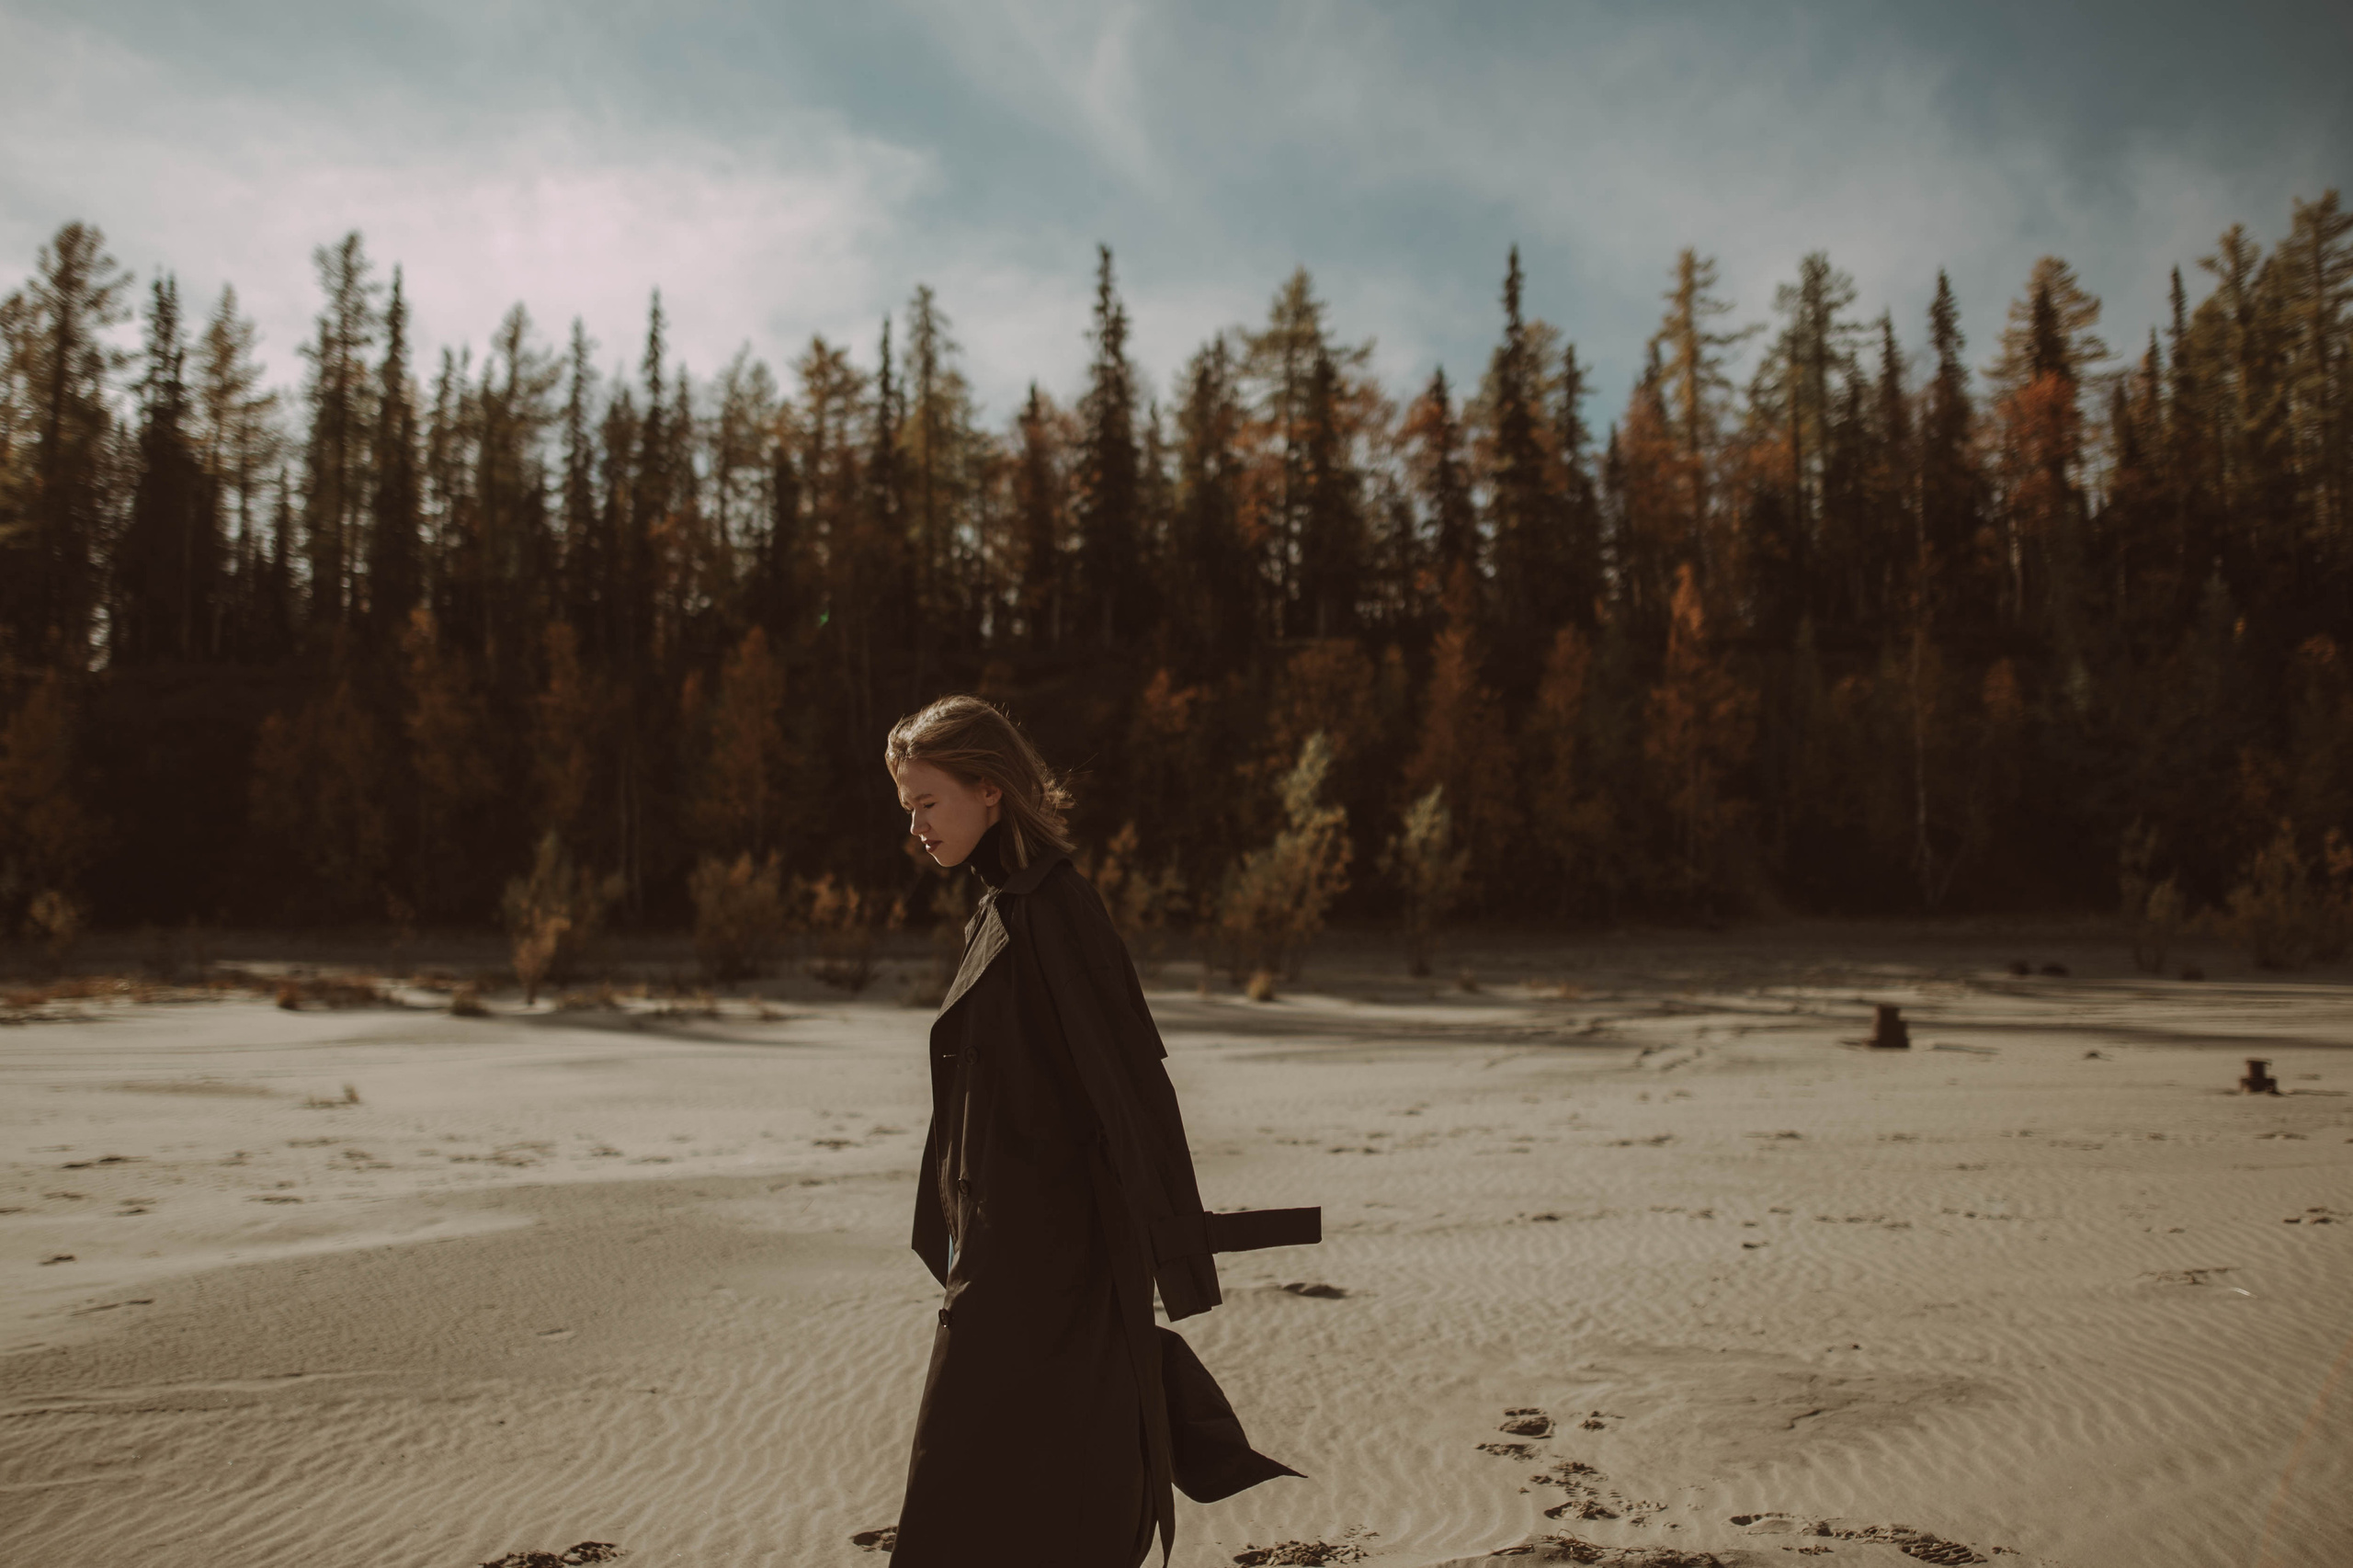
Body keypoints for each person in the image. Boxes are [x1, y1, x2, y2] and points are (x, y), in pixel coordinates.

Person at [884, 694, 1320, 1568]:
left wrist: (1172, 1242)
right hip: (1004, 1248)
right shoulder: (1002, 905)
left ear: (990, 788)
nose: (917, 828)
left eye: (928, 802)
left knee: (989, 1482)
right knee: (1007, 1475)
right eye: (907, 808)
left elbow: (1129, 1084)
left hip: (1054, 1254)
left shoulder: (1055, 907)